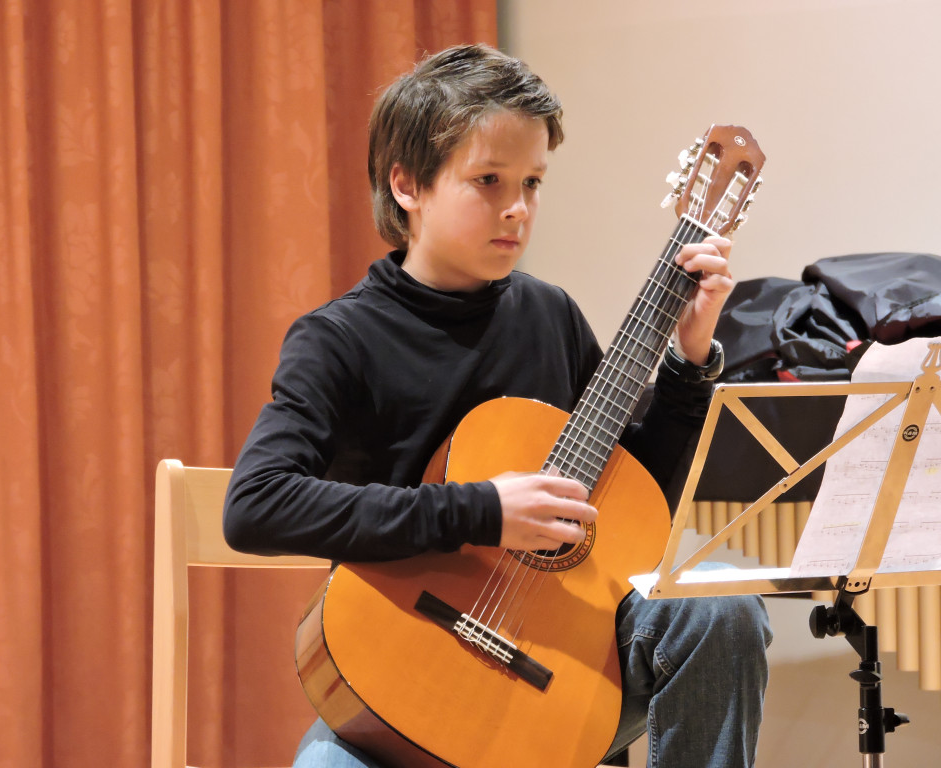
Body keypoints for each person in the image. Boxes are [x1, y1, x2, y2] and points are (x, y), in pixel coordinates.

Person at [224, 43, 772, 768]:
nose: (517, 208)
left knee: (723, 606)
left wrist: (689, 360)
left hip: (556, 672)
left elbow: (634, 502)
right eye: (488, 180)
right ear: (407, 184)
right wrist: (482, 510)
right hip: (400, 675)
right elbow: (255, 505)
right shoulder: (339, 339)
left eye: (532, 183)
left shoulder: (550, 316)